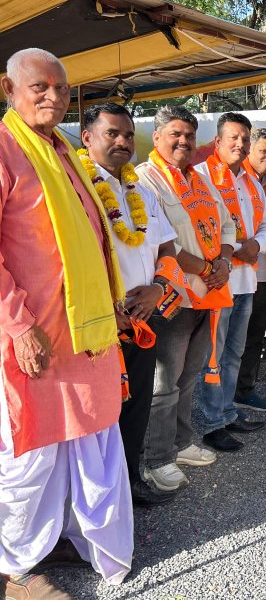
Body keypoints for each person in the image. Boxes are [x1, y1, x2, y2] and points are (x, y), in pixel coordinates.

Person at [0, 48, 132, 596]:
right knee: (32, 452)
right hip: (34, 336)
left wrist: (111, 298)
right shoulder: (4, 148)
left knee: (88, 439)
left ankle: (60, 537)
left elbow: (92, 238)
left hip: (86, 332)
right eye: (40, 86)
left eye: (62, 87)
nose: (53, 96)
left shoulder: (62, 151)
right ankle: (16, 565)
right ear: (9, 90)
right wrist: (18, 326)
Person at [80, 102, 178, 507]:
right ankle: (98, 500)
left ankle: (131, 481)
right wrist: (106, 308)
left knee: (137, 405)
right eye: (112, 133)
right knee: (99, 415)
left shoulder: (143, 192)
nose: (122, 141)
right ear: (87, 138)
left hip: (144, 317)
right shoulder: (79, 190)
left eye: (127, 134)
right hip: (101, 322)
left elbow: (167, 247)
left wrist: (158, 288)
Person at [137, 105, 235, 491]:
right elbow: (164, 243)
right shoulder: (145, 180)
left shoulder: (199, 179)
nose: (183, 141)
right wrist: (208, 268)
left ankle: (180, 443)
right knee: (164, 383)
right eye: (175, 134)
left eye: (189, 136)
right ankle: (156, 458)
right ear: (157, 137)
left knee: (188, 377)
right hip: (173, 299)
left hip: (207, 296)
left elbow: (226, 225)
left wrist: (224, 261)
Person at [195, 113, 266, 451]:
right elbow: (199, 228)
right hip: (216, 282)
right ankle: (212, 422)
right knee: (212, 357)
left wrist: (255, 245)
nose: (240, 144)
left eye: (245, 138)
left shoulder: (251, 182)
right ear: (218, 141)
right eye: (234, 138)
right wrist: (235, 248)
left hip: (245, 280)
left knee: (234, 354)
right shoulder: (201, 176)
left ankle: (227, 412)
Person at [236, 128, 266, 412]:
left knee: (254, 334)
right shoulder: (235, 179)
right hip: (235, 272)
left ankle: (244, 389)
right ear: (249, 150)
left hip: (262, 272)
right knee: (232, 339)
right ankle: (223, 399)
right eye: (264, 151)